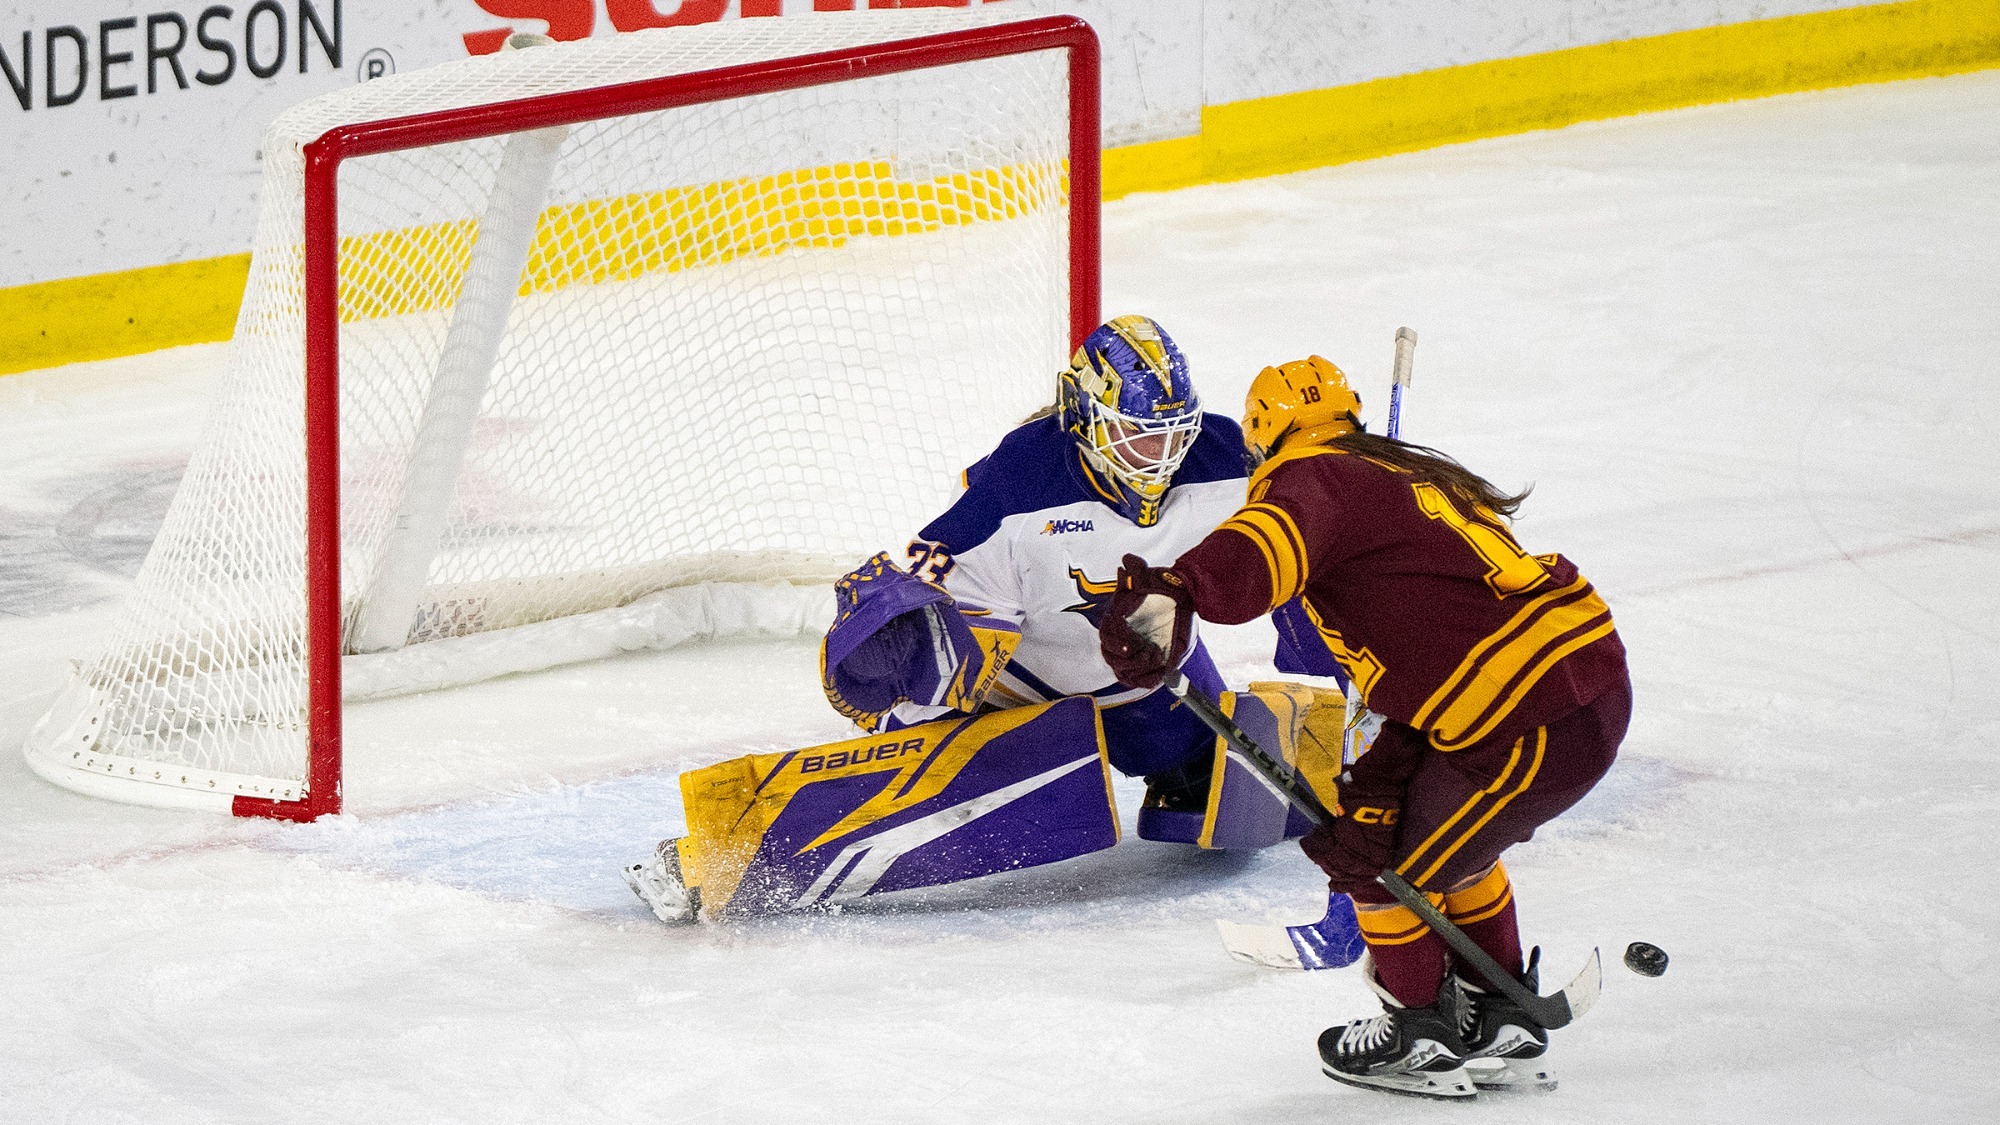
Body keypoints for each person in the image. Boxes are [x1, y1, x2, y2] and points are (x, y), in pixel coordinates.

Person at [624, 316, 1341, 924]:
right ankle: (712, 852)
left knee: (1235, 778)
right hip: (1019, 685)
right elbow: (918, 577)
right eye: (1136, 436)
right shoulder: (1018, 481)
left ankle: (1378, 767)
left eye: (1172, 434)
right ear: (1087, 419)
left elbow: (1326, 505)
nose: (1159, 458)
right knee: (962, 785)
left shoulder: (1222, 457)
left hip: (1150, 678)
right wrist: (903, 654)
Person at [1099, 354, 1631, 1099]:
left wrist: (1178, 588)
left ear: (1264, 439)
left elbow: (1265, 544)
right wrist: (1380, 772)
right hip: (1568, 689)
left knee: (1377, 859)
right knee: (1425, 838)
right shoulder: (1405, 474)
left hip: (1527, 715)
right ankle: (1496, 1007)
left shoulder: (1312, 477)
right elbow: (1433, 655)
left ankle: (1419, 1031)